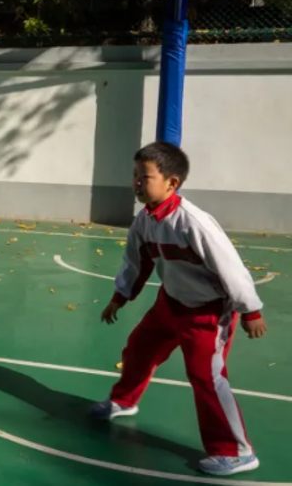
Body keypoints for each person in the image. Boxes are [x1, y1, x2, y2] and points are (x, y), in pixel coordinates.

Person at [93, 141, 267, 477]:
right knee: (139, 349)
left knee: (207, 377)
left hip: (206, 311)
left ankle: (236, 452)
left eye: (144, 177)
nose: (137, 183)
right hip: (169, 302)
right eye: (135, 176)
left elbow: (230, 267)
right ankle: (124, 400)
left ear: (172, 183)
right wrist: (120, 296)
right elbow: (136, 262)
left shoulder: (193, 223)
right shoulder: (144, 221)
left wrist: (251, 311)